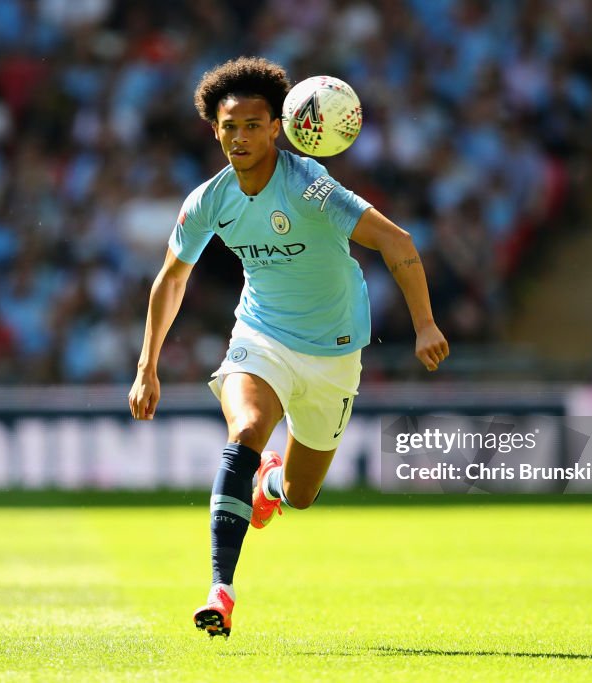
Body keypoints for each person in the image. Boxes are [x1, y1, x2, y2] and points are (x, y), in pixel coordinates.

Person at [128, 57, 449, 637]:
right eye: (230, 126)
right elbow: (171, 279)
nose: (241, 137)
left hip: (334, 353)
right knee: (246, 431)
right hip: (262, 337)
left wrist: (424, 323)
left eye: (254, 125)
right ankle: (220, 591)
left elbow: (395, 240)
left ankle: (270, 484)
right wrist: (147, 365)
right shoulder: (208, 200)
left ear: (278, 127)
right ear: (215, 130)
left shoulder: (311, 187)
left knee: (300, 495)